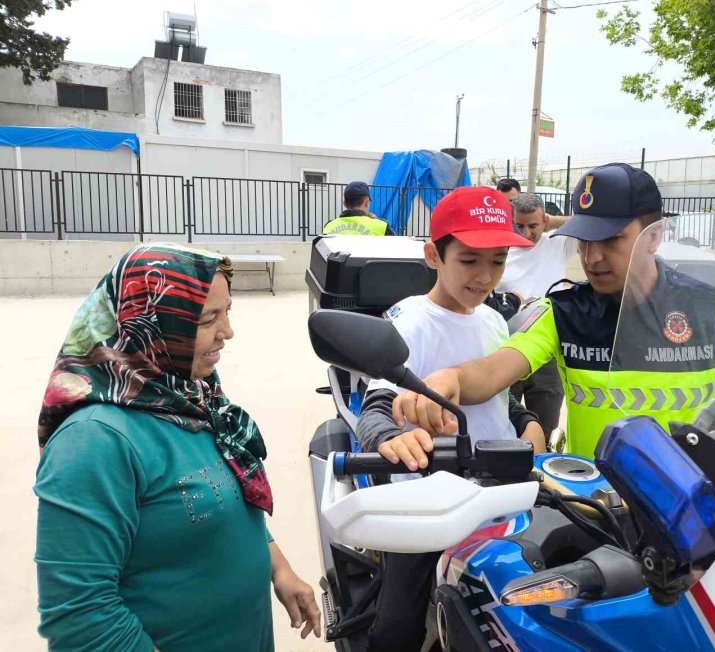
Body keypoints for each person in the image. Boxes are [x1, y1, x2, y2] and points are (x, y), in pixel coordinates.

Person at [34, 245, 321, 651]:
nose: (228, 332)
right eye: (208, 320)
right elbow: (80, 616)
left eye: (227, 312)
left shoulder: (189, 398)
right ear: (149, 325)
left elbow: (220, 497)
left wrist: (279, 568)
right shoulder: (94, 442)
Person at [392, 163, 715, 458]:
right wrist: (449, 379)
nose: (592, 257)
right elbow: (496, 368)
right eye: (584, 240)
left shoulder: (708, 307)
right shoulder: (562, 311)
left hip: (692, 508)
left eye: (610, 240)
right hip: (594, 508)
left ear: (654, 236)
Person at [355, 186, 545, 652]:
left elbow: (498, 398)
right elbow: (376, 406)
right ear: (433, 256)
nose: (484, 277)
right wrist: (388, 441)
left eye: (497, 261)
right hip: (428, 498)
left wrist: (529, 424)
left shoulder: (495, 322)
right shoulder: (408, 323)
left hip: (497, 493)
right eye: (469, 260)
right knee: (399, 624)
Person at [498, 192, 576, 440]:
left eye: (533, 225)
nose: (526, 233)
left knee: (545, 427)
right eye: (519, 225)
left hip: (547, 352)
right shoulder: (500, 253)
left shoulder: (557, 243)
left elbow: (588, 220)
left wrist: (552, 223)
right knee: (504, 425)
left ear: (544, 220)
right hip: (506, 347)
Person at [322, 181, 395, 235]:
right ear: (366, 202)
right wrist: (377, 221)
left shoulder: (329, 226)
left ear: (345, 204)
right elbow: (397, 250)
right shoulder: (382, 227)